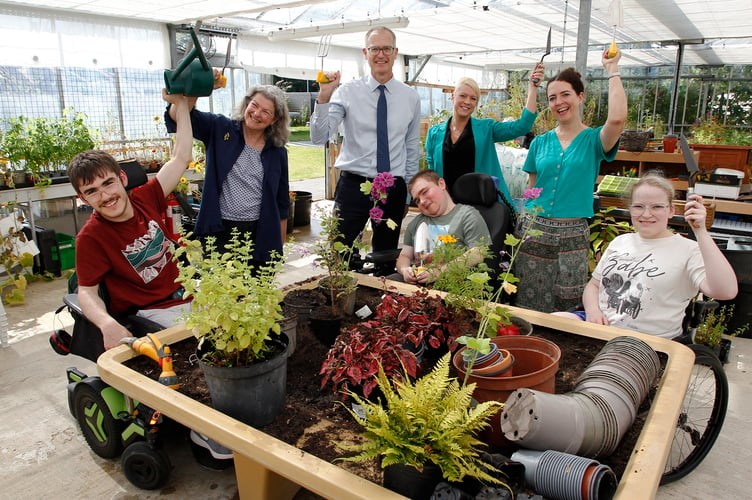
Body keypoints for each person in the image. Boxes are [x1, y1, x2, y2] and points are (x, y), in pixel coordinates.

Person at [69, 89, 193, 352]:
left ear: (122, 179)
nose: (105, 196)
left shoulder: (145, 198)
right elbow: (86, 292)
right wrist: (106, 324)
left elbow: (181, 156)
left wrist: (181, 104)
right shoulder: (92, 238)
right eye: (92, 191)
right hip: (150, 316)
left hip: (188, 296)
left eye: (108, 183)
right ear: (82, 197)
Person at [513, 47, 628, 313]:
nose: (558, 102)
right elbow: (532, 189)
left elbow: (618, 118)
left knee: (568, 304)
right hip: (535, 231)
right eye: (552, 98)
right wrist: (524, 220)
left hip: (572, 234)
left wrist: (613, 70)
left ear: (580, 97)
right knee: (529, 302)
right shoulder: (540, 143)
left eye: (565, 94)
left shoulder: (593, 141)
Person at [554, 173, 738, 339]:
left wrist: (701, 232)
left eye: (657, 206)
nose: (646, 214)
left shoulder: (688, 250)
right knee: (547, 326)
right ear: (630, 209)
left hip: (646, 341)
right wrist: (593, 310)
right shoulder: (621, 242)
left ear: (671, 211)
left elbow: (726, 291)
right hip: (598, 326)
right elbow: (594, 285)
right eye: (639, 206)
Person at [310, 26, 421, 264]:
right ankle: (344, 300)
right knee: (341, 253)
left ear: (395, 52)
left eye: (386, 49)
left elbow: (412, 149)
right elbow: (319, 138)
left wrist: (407, 195)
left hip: (393, 188)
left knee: (386, 255)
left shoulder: (410, 97)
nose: (380, 54)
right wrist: (324, 97)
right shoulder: (347, 92)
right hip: (354, 186)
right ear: (365, 52)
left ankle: (380, 298)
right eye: (375, 49)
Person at [165, 80, 291, 266]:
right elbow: (179, 116)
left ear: (274, 120)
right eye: (254, 105)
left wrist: (278, 244)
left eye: (266, 112)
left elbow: (281, 201)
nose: (256, 113)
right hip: (221, 230)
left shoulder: (277, 152)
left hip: (260, 232)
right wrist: (198, 87)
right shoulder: (220, 128)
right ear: (246, 104)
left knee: (257, 289)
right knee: (222, 289)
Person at [425, 66, 543, 202]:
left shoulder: (486, 128)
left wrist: (533, 88)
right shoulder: (434, 133)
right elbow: (432, 173)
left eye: (473, 98)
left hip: (480, 204)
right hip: (447, 205)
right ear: (453, 96)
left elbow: (521, 127)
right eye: (463, 96)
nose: (467, 102)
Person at [395, 170, 491, 285]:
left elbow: (478, 254)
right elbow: (405, 255)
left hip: (455, 285)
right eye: (417, 200)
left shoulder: (468, 216)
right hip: (417, 283)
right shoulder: (416, 222)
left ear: (441, 184)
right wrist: (404, 270)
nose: (423, 201)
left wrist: (439, 272)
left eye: (425, 192)